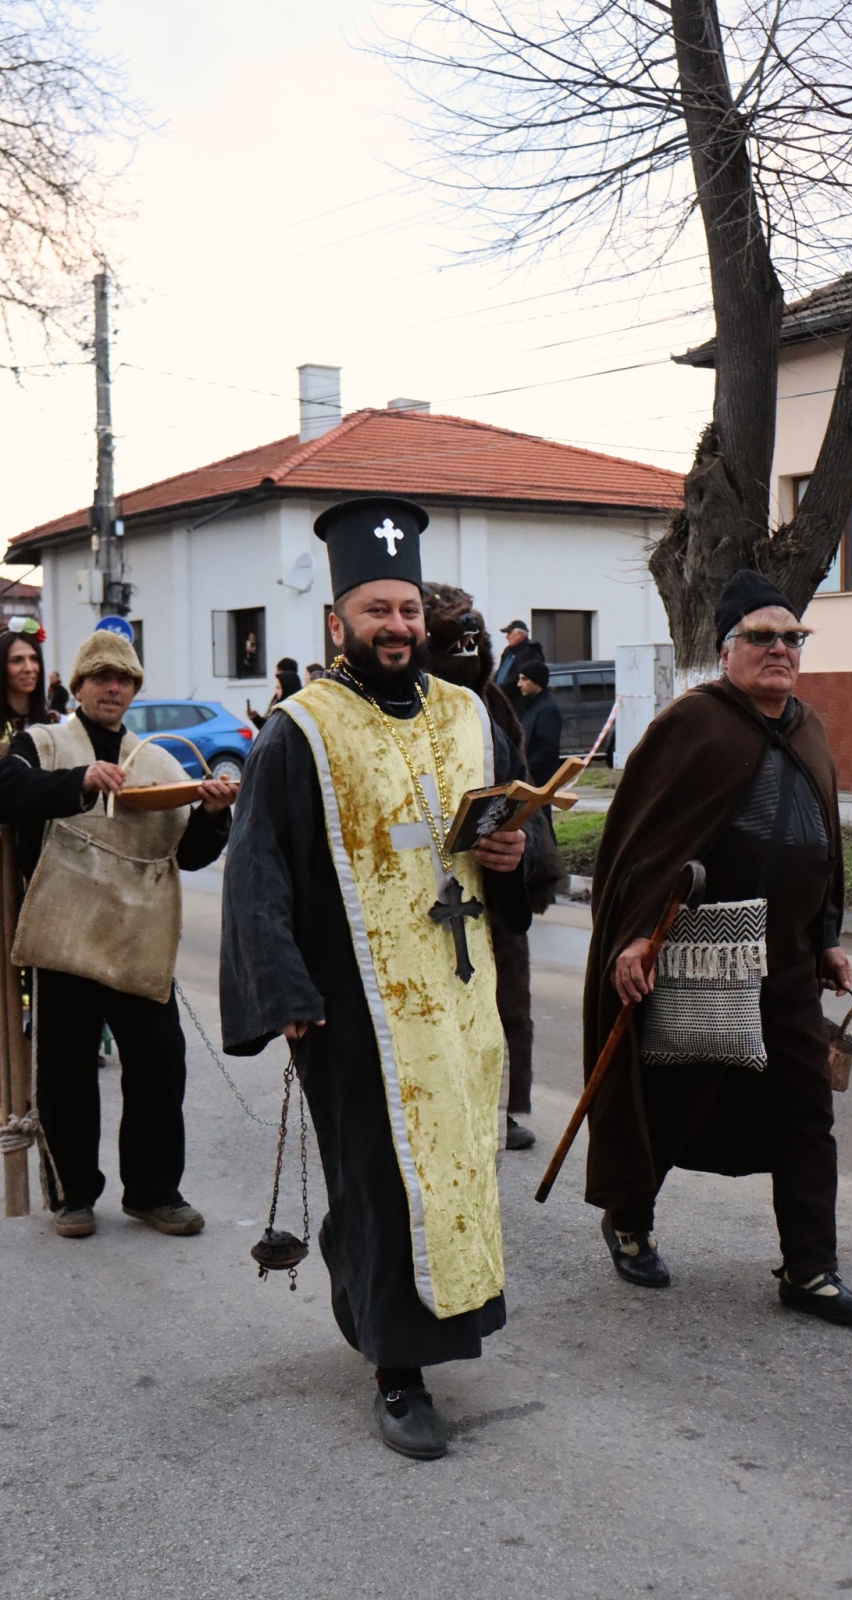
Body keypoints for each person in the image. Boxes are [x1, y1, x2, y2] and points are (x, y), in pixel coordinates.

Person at [220, 497, 530, 1461]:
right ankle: (398, 1373)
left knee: (454, 1165)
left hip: (460, 994)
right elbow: (257, 869)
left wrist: (517, 853)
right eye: (376, 611)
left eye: (407, 610)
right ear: (337, 623)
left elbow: (516, 831)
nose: (396, 627)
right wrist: (285, 993)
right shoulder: (300, 731)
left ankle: (420, 1311)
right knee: (381, 1180)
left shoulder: (470, 715)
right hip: (354, 1003)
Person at [583, 569, 852, 1327]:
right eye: (763, 637)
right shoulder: (695, 724)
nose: (781, 649)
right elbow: (645, 846)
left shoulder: (809, 729)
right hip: (702, 955)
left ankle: (810, 1270)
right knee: (675, 1100)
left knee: (807, 1110)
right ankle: (629, 1218)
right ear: (727, 650)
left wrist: (827, 937)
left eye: (793, 637)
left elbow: (824, 843)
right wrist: (635, 936)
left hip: (785, 961)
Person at [0, 630, 236, 1239]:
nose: (113, 687)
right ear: (78, 686)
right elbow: (7, 792)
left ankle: (153, 1193)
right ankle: (73, 1197)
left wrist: (213, 814)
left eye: (124, 679)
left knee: (161, 1063)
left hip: (137, 937)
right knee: (65, 1073)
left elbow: (188, 855)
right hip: (64, 935)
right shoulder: (43, 744)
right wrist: (80, 779)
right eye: (101, 677)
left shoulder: (158, 761)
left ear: (134, 689)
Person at [422, 583, 567, 1154]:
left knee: (505, 998)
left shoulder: (494, 705)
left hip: (491, 881)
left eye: (471, 644)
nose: (465, 653)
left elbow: (520, 791)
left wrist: (523, 851)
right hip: (421, 883)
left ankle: (502, 1105)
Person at [0, 625, 55, 1214]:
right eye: (17, 660)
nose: (27, 668)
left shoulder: (48, 726)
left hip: (40, 873)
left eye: (32, 659)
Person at [517, 660, 563, 788]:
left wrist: (526, 769)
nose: (519, 684)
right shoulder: (531, 707)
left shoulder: (547, 710)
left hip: (538, 782)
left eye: (524, 679)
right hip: (529, 780)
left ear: (537, 681)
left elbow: (547, 749)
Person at [494, 620, 545, 713]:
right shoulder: (508, 651)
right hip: (503, 701)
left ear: (520, 634)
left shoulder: (530, 651)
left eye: (509, 633)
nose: (507, 637)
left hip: (519, 704)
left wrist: (499, 689)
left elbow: (519, 677)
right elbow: (500, 671)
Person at [247, 664, 301, 729]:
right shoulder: (278, 707)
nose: (276, 692)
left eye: (278, 688)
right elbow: (267, 729)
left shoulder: (291, 714)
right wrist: (256, 718)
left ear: (287, 688)